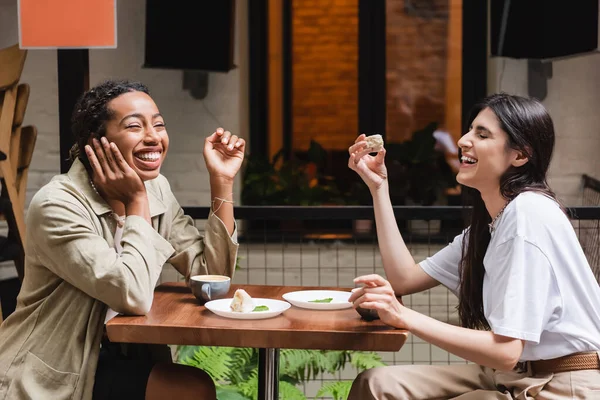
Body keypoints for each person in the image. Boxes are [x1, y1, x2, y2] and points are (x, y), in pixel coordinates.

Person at [0, 79, 244, 400]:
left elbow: (212, 274)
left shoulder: (156, 189)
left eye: (158, 124)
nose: (153, 137)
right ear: (96, 142)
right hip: (57, 367)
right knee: (191, 390)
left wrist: (221, 180)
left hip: (125, 354)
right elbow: (133, 296)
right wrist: (136, 202)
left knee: (193, 387)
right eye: (134, 126)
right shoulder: (58, 204)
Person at [346, 93, 600, 399]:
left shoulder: (528, 215)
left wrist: (402, 315)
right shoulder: (491, 224)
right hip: (517, 372)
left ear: (519, 155)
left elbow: (506, 350)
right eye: (470, 130)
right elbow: (404, 278)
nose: (464, 140)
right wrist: (379, 188)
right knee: (376, 384)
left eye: (482, 134)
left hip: (566, 383)